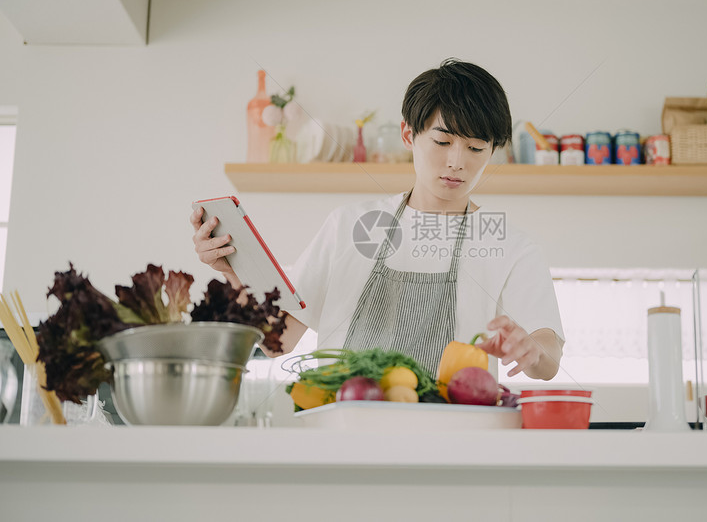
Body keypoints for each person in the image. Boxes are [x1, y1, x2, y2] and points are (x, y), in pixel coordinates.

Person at [191, 59, 564, 380]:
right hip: (343, 440)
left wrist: (531, 349)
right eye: (442, 141)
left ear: (493, 151)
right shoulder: (350, 225)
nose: (457, 162)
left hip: (451, 444)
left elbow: (549, 356)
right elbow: (277, 341)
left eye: (476, 148)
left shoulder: (510, 246)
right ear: (408, 134)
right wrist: (233, 271)